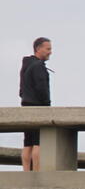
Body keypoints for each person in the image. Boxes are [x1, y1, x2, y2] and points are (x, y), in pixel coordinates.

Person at [18, 37, 52, 171]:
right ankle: (37, 173)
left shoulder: (26, 65)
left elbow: (21, 90)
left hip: (26, 106)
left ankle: (26, 172)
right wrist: (47, 105)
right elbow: (41, 89)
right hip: (38, 108)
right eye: (48, 49)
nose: (50, 52)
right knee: (38, 142)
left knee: (28, 143)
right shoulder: (38, 66)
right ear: (39, 49)